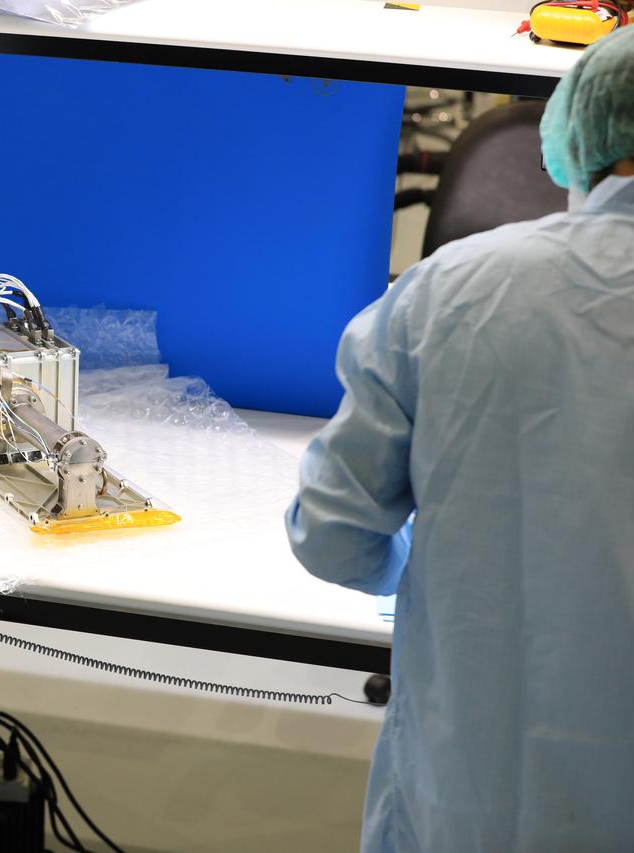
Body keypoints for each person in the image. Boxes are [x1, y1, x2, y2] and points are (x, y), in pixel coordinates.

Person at [286, 27, 634, 853]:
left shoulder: (453, 288)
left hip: (481, 794)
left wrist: (450, 574)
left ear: (578, 134)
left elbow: (333, 533)